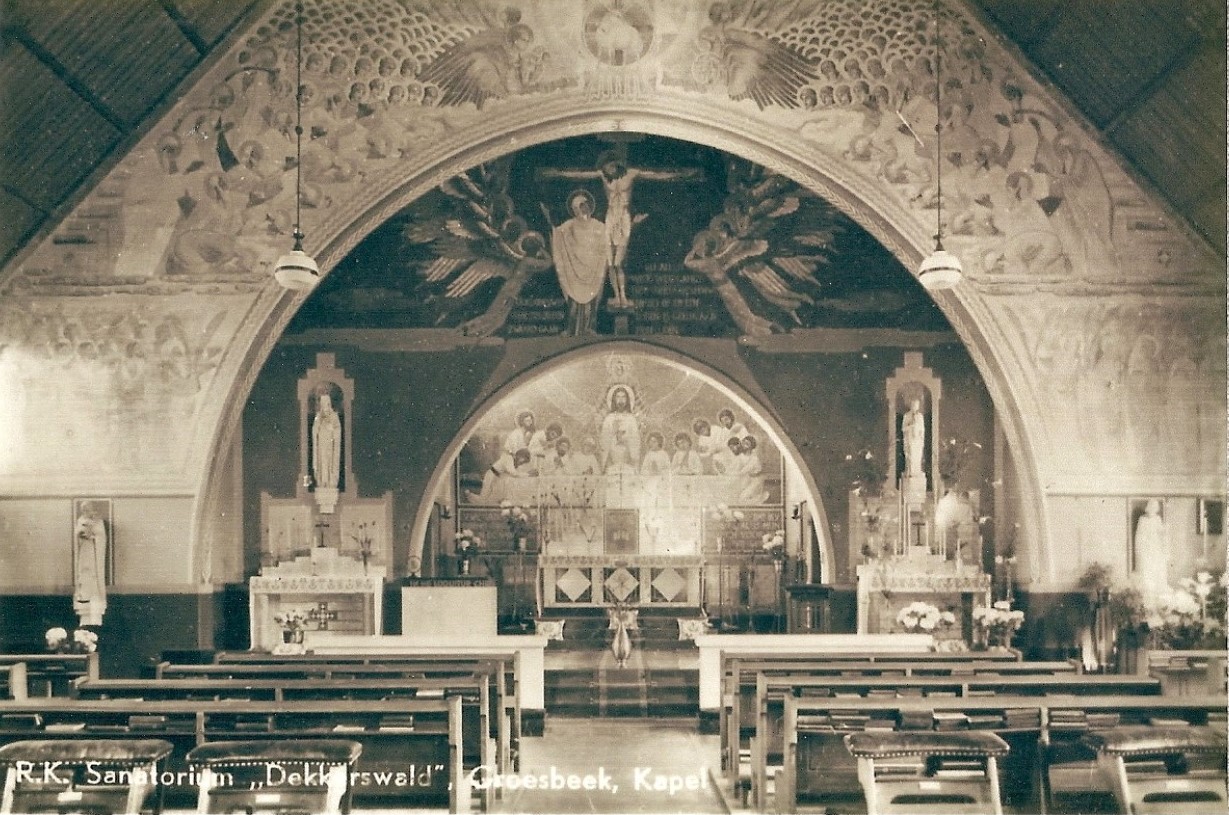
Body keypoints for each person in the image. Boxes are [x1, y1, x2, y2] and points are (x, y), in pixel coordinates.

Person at [540, 151, 701, 307]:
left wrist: (683, 175)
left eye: (608, 166)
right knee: (610, 263)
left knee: (618, 262)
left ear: (615, 163)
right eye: (604, 168)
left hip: (623, 218)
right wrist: (556, 173)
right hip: (610, 217)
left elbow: (656, 174)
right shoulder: (604, 177)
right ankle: (617, 296)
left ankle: (623, 296)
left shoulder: (631, 174)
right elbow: (580, 174)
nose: (606, 170)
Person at [546, 189, 609, 334]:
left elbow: (604, 242)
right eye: (577, 207)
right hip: (574, 268)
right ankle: (571, 328)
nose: (580, 210)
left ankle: (589, 328)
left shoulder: (598, 226)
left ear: (588, 206)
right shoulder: (570, 224)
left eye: (583, 205)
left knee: (592, 301)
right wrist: (549, 220)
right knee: (573, 301)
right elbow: (558, 234)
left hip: (593, 266)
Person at [74, 501, 108, 626]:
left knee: (94, 576)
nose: (86, 512)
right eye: (84, 510)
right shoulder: (80, 520)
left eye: (87, 509)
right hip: (84, 552)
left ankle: (95, 596)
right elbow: (77, 534)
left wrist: (93, 536)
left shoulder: (98, 521)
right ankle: (84, 598)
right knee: (84, 575)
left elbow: (101, 536)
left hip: (94, 553)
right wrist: (81, 534)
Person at [1133, 499, 1169, 600]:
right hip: (1146, 548)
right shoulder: (1142, 519)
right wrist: (1142, 547)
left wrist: (1165, 531)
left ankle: (1157, 595)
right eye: (1151, 507)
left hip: (1156, 548)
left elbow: (1161, 533)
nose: (1153, 509)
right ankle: (1148, 595)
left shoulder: (1157, 519)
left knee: (1157, 569)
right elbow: (1139, 535)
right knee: (1146, 571)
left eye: (1155, 507)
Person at [599, 385, 641, 469]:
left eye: (623, 397)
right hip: (612, 457)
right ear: (614, 399)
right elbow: (603, 439)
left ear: (627, 400)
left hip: (627, 458)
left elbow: (635, 440)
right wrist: (613, 433)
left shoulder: (631, 419)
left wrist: (625, 439)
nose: (621, 400)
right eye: (618, 397)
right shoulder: (609, 418)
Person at [312, 391, 342, 490]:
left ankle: (331, 481)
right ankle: (322, 481)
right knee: (322, 461)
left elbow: (338, 429)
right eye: (323, 404)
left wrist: (332, 429)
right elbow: (314, 430)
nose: (325, 407)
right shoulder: (318, 416)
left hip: (330, 444)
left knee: (330, 461)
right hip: (321, 444)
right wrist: (319, 427)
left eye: (326, 404)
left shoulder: (334, 416)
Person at [902, 399, 926, 478]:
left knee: (917, 457)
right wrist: (911, 426)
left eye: (916, 405)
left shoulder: (920, 416)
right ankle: (910, 472)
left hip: (917, 440)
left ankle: (917, 471)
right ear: (911, 406)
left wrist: (921, 439)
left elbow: (922, 429)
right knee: (910, 456)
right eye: (914, 405)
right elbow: (903, 428)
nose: (915, 407)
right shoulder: (906, 416)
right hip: (910, 439)